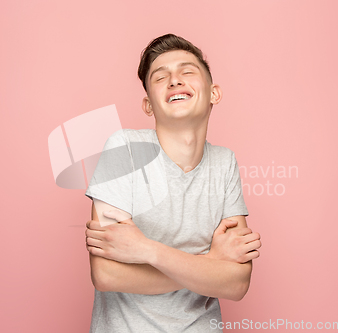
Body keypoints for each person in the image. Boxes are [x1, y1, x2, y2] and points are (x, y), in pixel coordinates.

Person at [84, 33, 262, 332]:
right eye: (160, 77)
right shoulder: (125, 149)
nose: (175, 80)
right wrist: (210, 262)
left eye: (187, 71)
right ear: (148, 105)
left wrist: (148, 251)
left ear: (214, 93)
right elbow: (107, 275)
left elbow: (236, 283)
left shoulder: (224, 163)